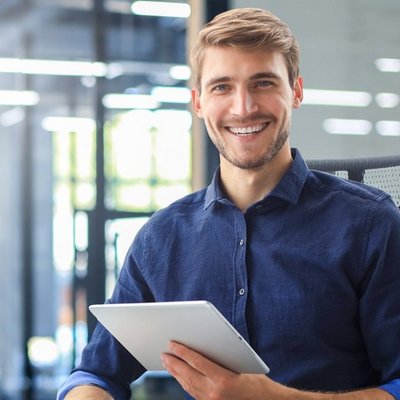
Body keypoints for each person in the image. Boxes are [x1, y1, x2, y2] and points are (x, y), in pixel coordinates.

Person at [57, 7, 400, 400]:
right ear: (198, 102)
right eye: (222, 87)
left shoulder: (370, 225)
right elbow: (96, 373)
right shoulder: (162, 237)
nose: (243, 107)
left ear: (297, 92)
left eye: (263, 83)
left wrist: (273, 397)